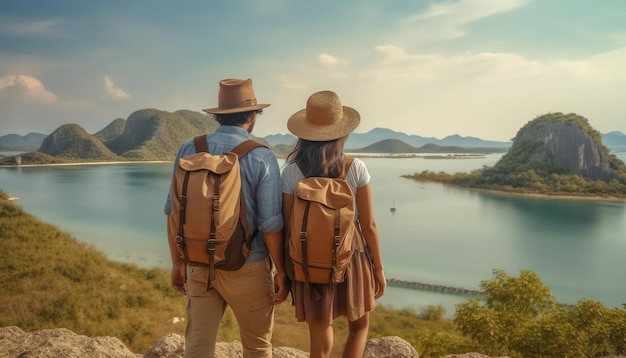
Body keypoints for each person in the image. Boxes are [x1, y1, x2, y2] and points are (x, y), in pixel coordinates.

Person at [164, 78, 287, 358]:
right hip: (248, 266)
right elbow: (270, 224)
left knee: (197, 347)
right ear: (253, 116)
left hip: (198, 263)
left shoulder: (188, 148)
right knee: (256, 347)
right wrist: (281, 270)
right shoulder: (261, 156)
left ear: (217, 114)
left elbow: (172, 211)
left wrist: (177, 261)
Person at [281, 90, 386, 358]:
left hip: (307, 261)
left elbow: (287, 225)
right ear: (342, 132)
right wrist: (378, 268)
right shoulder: (356, 167)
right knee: (360, 325)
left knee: (319, 331)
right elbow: (369, 225)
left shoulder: (292, 172)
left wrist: (284, 270)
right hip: (352, 257)